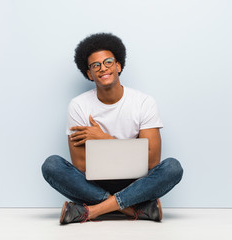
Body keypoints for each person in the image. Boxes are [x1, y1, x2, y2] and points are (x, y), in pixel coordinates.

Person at [41, 33, 183, 225]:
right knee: (51, 165)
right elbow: (81, 165)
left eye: (108, 62)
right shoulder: (79, 105)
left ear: (118, 66)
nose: (103, 68)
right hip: (93, 183)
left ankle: (92, 211)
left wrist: (103, 138)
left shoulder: (143, 102)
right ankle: (133, 209)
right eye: (95, 65)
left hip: (137, 182)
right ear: (89, 74)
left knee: (172, 167)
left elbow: (152, 160)